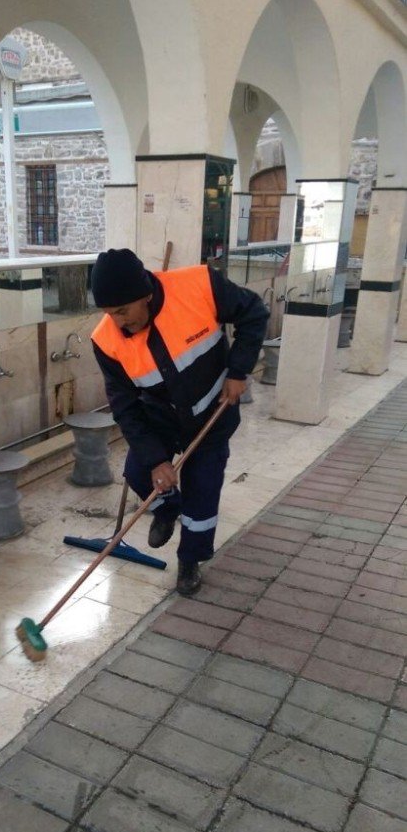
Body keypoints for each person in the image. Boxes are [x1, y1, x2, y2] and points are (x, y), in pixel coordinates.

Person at [91, 248, 268, 596]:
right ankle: (168, 508)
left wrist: (238, 370)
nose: (118, 322)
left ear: (145, 294)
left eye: (123, 311)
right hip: (160, 416)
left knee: (202, 490)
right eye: (110, 314)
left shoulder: (199, 285)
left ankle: (190, 560)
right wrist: (157, 459)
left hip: (212, 414)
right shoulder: (106, 341)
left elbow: (254, 313)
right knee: (140, 471)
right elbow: (124, 406)